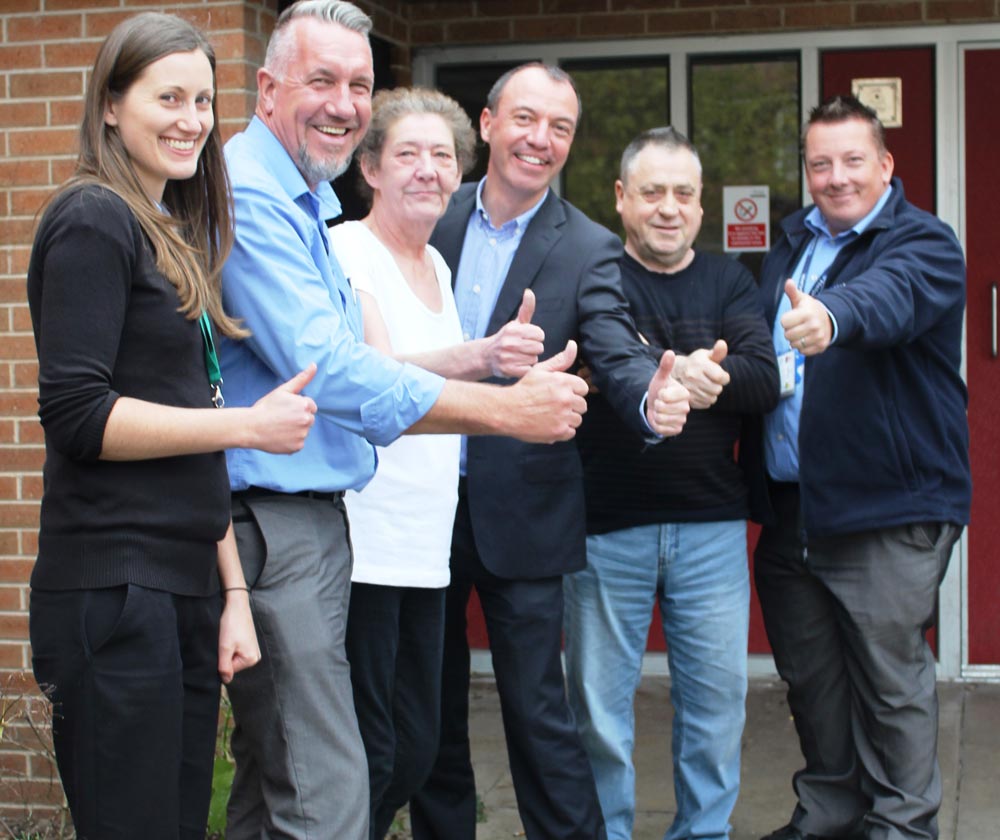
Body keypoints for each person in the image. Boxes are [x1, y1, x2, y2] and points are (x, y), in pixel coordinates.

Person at [218, 4, 667, 838]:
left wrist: (506, 363)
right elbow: (349, 372)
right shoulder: (298, 210)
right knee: (351, 767)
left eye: (358, 84)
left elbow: (609, 341)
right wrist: (505, 406)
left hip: (451, 522)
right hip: (329, 522)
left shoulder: (428, 238)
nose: (344, 103)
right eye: (324, 81)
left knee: (419, 745)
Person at [25, 13, 318, 839]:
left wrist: (230, 594)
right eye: (168, 97)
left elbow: (201, 428)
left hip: (181, 587)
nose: (192, 118)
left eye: (202, 99)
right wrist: (247, 432)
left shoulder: (171, 236)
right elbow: (80, 417)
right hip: (119, 591)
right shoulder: (93, 220)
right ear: (111, 106)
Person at [411, 65, 691, 840]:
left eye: (560, 128)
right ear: (489, 122)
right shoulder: (431, 211)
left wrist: (646, 395)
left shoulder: (590, 247)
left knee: (539, 715)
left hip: (524, 508)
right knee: (426, 714)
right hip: (418, 502)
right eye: (526, 119)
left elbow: (612, 341)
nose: (541, 139)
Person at [742, 96, 971, 840]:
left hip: (886, 507)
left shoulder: (924, 244)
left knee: (888, 681)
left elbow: (889, 299)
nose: (835, 178)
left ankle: (903, 827)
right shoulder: (788, 247)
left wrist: (831, 318)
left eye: (852, 160)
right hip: (792, 505)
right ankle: (831, 812)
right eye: (820, 163)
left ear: (885, 165)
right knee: (812, 680)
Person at [334, 87, 542, 840]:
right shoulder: (346, 249)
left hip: (426, 547)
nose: (429, 170)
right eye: (408, 154)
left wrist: (513, 371)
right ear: (371, 169)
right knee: (372, 753)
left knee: (416, 750)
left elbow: (440, 384)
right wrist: (479, 356)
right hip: (364, 543)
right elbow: (376, 374)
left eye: (443, 156)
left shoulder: (438, 269)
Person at [563, 127, 779, 840]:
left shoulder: (729, 281)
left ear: (701, 205)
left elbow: (762, 376)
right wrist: (678, 365)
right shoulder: (594, 277)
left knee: (717, 706)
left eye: (683, 193)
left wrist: (694, 375)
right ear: (622, 199)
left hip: (710, 529)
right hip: (604, 526)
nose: (668, 208)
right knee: (597, 710)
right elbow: (588, 361)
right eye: (652, 192)